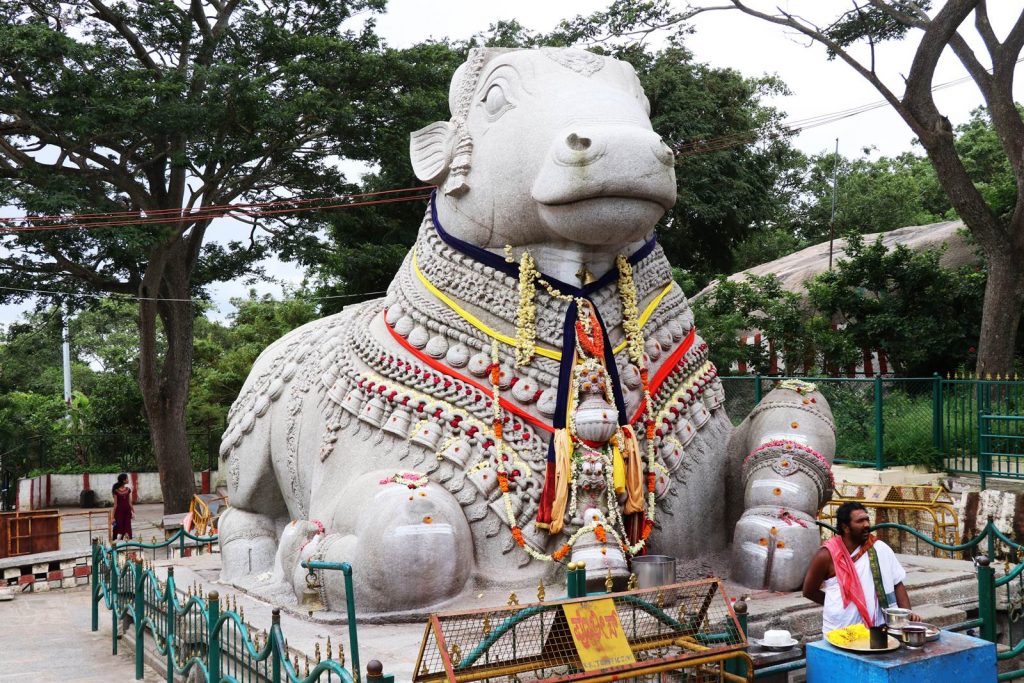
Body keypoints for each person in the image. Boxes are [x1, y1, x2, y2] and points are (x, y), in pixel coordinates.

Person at [802, 501, 920, 633]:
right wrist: (837, 605)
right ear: (845, 527)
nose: (867, 525)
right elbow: (809, 591)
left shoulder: (880, 548)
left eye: (867, 520)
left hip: (877, 630)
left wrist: (907, 617)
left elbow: (897, 583)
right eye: (860, 521)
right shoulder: (826, 555)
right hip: (840, 630)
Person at [111, 473, 134, 541]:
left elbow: (129, 502)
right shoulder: (116, 491)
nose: (128, 479)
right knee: (119, 527)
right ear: (124, 480)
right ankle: (118, 544)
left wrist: (133, 511)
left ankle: (127, 542)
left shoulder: (128, 490)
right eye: (127, 478)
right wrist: (112, 517)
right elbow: (115, 505)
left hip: (127, 511)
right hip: (119, 512)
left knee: (127, 526)